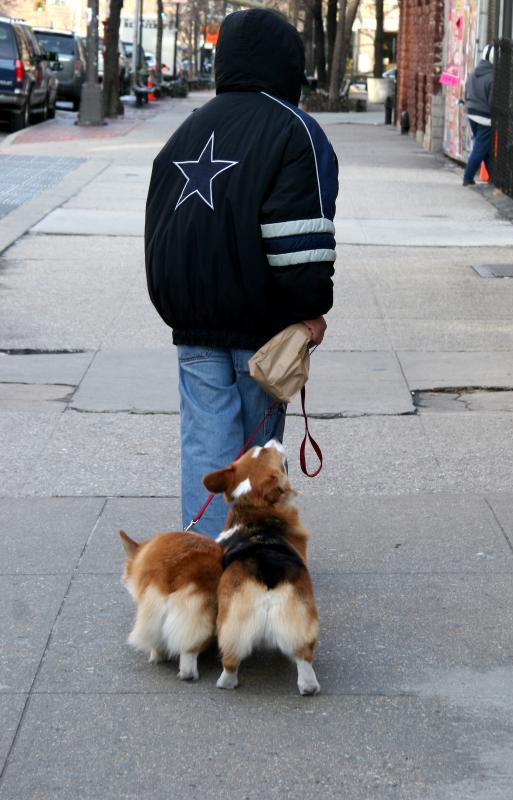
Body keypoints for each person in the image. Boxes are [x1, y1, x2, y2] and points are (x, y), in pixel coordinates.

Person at [145, 9, 339, 538]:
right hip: (263, 327)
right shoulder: (295, 130)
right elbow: (299, 244)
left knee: (207, 450)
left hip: (192, 322)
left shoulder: (187, 131)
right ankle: (249, 564)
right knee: (256, 457)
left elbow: (159, 227)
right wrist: (310, 312)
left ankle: (201, 568)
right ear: (288, 65)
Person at [463, 44, 494, 186]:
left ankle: (494, 177)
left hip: (472, 113)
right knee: (481, 148)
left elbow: (466, 93)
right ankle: (468, 177)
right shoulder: (492, 77)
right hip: (485, 117)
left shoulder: (473, 73)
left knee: (485, 147)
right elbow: (493, 101)